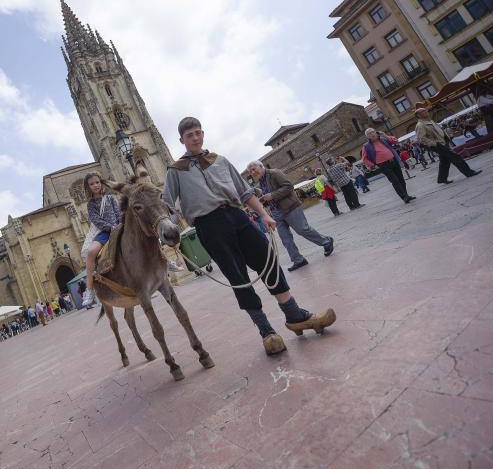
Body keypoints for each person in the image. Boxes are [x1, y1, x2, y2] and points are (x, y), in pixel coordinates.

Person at [163, 116, 336, 356]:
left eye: (198, 133)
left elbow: (245, 193)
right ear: (181, 140)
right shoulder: (175, 171)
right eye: (189, 135)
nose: (195, 138)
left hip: (238, 216)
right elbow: (168, 206)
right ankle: (267, 332)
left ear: (203, 134)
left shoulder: (220, 161)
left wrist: (264, 215)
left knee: (268, 261)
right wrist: (167, 231)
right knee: (238, 277)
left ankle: (294, 315)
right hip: (209, 226)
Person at [247, 161, 334, 272]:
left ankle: (326, 241)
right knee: (285, 239)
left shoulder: (274, 173)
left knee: (303, 229)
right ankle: (298, 260)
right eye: (250, 171)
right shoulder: (261, 181)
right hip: (277, 212)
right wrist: (262, 197)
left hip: (290, 207)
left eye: (254, 169)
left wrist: (272, 195)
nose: (253, 172)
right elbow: (270, 193)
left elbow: (288, 186)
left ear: (261, 166)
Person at [81, 172, 123, 307]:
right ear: (88, 187)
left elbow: (118, 212)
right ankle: (89, 288)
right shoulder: (91, 204)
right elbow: (95, 220)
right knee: (91, 252)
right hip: (104, 232)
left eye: (97, 182)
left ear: (101, 182)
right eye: (92, 184)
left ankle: (165, 261)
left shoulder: (110, 198)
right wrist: (110, 228)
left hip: (119, 227)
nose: (95, 185)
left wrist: (119, 225)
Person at [414, 108, 480, 185]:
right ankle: (469, 172)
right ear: (418, 115)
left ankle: (442, 178)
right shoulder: (420, 125)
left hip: (443, 142)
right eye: (423, 111)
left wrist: (446, 138)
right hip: (437, 144)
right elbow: (421, 138)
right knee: (456, 157)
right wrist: (434, 144)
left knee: (444, 161)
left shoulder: (430, 121)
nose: (426, 111)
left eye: (426, 110)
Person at [361, 128, 415, 204]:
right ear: (367, 137)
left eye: (373, 132)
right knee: (395, 180)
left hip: (393, 161)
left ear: (376, 132)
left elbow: (395, 141)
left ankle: (406, 195)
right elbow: (364, 158)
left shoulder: (383, 139)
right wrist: (372, 165)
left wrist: (384, 135)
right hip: (383, 165)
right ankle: (404, 197)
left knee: (401, 179)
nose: (372, 134)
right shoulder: (366, 146)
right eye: (369, 133)